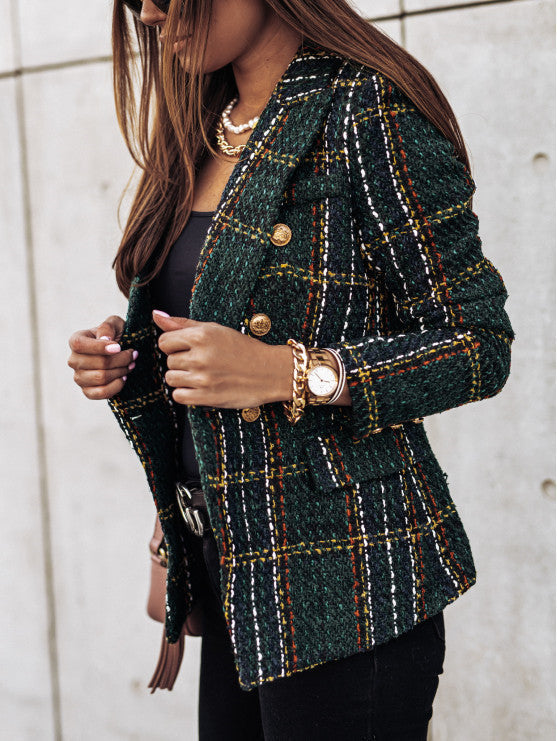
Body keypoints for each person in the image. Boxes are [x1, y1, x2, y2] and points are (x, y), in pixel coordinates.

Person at [67, 0, 515, 738]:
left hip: (349, 583)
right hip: (236, 574)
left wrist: (289, 372)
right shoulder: (202, 123)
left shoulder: (364, 108)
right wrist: (126, 355)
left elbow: (477, 343)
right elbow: (216, 319)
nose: (148, 13)